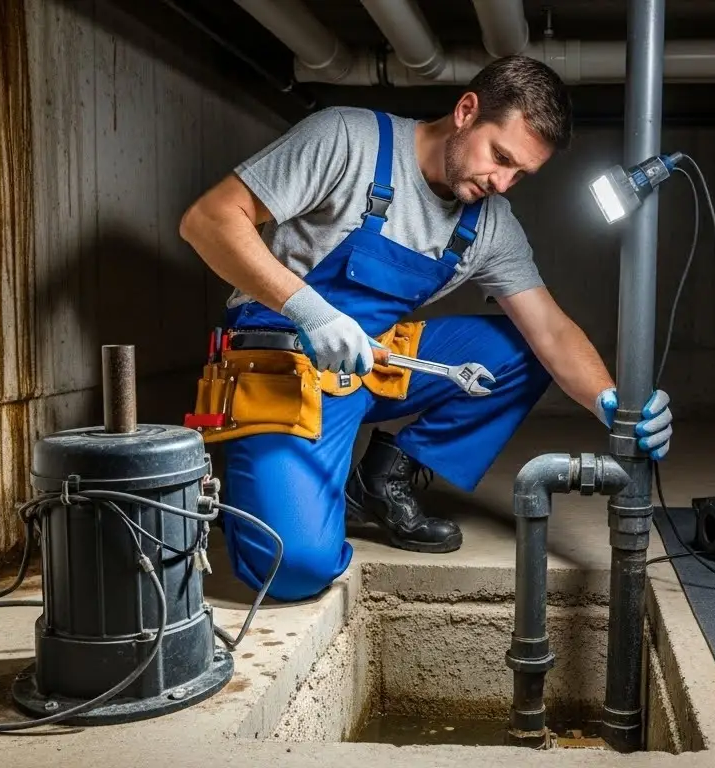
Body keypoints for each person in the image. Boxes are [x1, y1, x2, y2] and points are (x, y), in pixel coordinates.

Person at [178, 55, 673, 602]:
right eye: (500, 157)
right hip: (281, 364)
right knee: (292, 566)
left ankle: (378, 481)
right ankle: (275, 481)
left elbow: (551, 331)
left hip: (371, 364)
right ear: (466, 112)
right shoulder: (347, 139)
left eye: (521, 175)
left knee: (522, 351)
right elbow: (208, 220)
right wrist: (310, 310)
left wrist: (611, 400)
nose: (502, 183)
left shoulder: (490, 224)